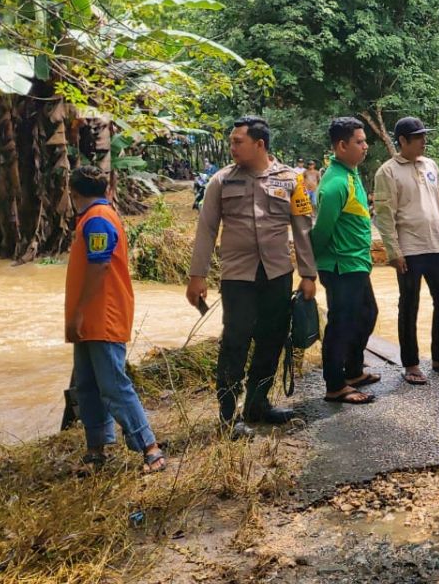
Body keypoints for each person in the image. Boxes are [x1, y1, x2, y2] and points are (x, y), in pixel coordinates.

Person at [188, 116, 318, 438]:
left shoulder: (291, 180)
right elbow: (206, 229)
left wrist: (308, 275)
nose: (232, 147)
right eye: (231, 141)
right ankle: (229, 417)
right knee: (234, 342)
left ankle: (258, 404)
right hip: (237, 278)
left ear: (259, 144)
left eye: (237, 142)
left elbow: (302, 229)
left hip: (277, 274)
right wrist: (197, 276)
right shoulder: (221, 181)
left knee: (272, 339)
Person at [65, 166, 166, 474]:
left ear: (74, 194)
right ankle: (96, 448)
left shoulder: (96, 219)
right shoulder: (97, 215)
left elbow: (99, 268)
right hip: (92, 319)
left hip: (101, 317)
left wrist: (80, 312)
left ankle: (150, 448)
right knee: (87, 385)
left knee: (113, 385)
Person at [373, 117, 439, 385]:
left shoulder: (431, 166)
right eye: (418, 137)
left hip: (436, 245)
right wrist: (394, 251)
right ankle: (411, 364)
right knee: (409, 306)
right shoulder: (387, 172)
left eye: (425, 136)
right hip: (409, 251)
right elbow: (385, 216)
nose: (424, 141)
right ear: (402, 141)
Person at [313, 117, 378, 405]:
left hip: (356, 263)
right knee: (341, 325)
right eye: (359, 142)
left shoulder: (350, 174)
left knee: (366, 314)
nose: (365, 147)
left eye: (365, 140)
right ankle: (335, 385)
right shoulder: (336, 184)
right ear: (341, 146)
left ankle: (353, 371)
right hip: (341, 266)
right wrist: (310, 269)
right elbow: (321, 232)